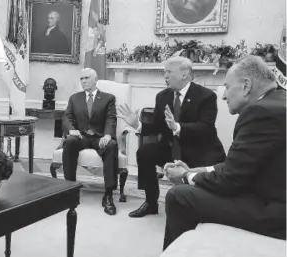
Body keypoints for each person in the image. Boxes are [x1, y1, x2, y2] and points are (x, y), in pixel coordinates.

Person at [162, 55, 286, 250]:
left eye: (227, 87)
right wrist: (196, 170)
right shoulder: (278, 102)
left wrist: (186, 176)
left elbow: (230, 180)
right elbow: (238, 166)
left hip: (275, 212)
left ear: (246, 85)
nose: (224, 96)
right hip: (270, 193)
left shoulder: (261, 112)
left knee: (179, 196)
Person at [118, 56, 225, 218]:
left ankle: (199, 206)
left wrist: (178, 127)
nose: (165, 76)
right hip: (172, 148)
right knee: (145, 152)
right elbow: (156, 126)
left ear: (184, 74)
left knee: (206, 192)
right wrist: (137, 124)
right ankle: (151, 202)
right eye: (164, 72)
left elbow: (206, 128)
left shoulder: (206, 96)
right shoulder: (163, 96)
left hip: (199, 149)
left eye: (168, 72)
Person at [62, 68, 118, 215]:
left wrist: (107, 135)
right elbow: (67, 117)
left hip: (99, 137)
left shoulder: (108, 98)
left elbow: (111, 118)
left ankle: (108, 195)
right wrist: (71, 129)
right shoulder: (74, 98)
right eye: (81, 79)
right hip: (81, 137)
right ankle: (70, 189)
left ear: (95, 79)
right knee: (69, 141)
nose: (83, 81)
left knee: (112, 145)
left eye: (86, 78)